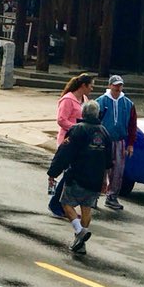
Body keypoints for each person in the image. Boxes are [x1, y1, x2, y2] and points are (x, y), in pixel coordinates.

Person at [47, 100, 113, 256]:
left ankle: (79, 230)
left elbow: (64, 153)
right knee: (86, 209)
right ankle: (80, 244)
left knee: (65, 204)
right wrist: (105, 180)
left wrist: (53, 172)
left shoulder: (77, 130)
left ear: (83, 114)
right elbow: (108, 161)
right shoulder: (105, 133)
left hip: (78, 176)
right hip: (96, 179)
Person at [48, 73, 94, 218]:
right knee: (68, 173)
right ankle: (56, 204)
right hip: (68, 140)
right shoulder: (67, 99)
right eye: (91, 86)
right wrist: (76, 128)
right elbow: (61, 120)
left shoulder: (85, 99)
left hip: (80, 141)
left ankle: (64, 204)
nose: (92, 89)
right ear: (83, 85)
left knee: (72, 174)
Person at [95, 74, 137, 211]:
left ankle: (112, 197)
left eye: (120, 85)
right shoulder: (100, 101)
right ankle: (94, 196)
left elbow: (132, 125)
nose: (118, 87)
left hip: (119, 140)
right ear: (109, 86)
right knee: (100, 169)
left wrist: (130, 144)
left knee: (118, 170)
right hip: (102, 140)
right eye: (115, 85)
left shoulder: (128, 104)